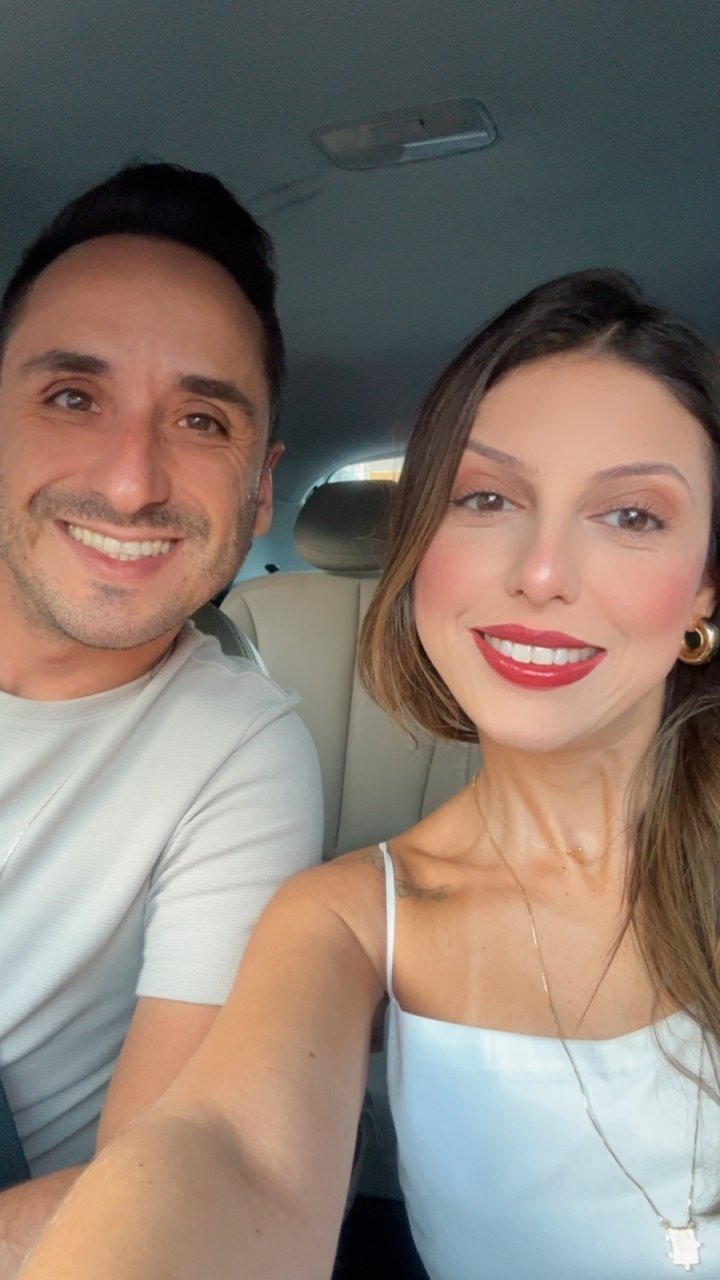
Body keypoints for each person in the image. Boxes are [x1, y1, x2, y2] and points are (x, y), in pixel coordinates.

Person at [19, 268, 720, 1280]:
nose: (541, 572)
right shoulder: (344, 920)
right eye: (486, 498)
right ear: (421, 537)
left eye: (633, 516)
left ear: (706, 582)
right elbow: (229, 1151)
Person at [0, 163, 322, 1272]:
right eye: (72, 397)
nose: (133, 482)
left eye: (199, 419)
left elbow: (161, 1184)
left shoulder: (242, 750)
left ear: (260, 490)